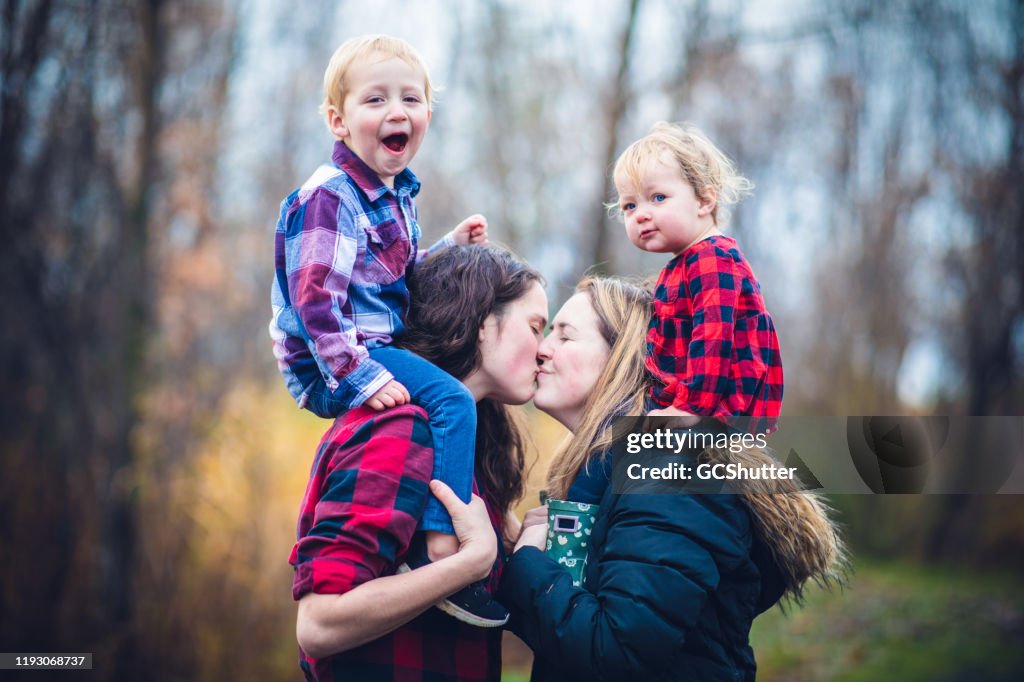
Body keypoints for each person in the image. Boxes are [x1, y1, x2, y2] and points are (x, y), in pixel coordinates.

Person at [498, 276, 845, 681]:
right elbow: (573, 644)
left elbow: (615, 653)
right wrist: (514, 555)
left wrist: (528, 564)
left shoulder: (667, 471)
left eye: (565, 335)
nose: (542, 348)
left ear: (621, 360)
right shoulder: (607, 474)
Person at [270, 34, 499, 623]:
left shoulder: (393, 196)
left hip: (370, 341)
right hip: (334, 357)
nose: (397, 111)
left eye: (412, 98)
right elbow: (314, 301)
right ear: (338, 121)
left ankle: (421, 532)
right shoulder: (329, 197)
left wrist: (448, 246)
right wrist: (361, 375)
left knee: (449, 399)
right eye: (375, 100)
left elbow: (390, 282)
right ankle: (440, 551)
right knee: (452, 403)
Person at [290, 245, 548, 681]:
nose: (543, 351)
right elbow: (319, 623)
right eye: (536, 327)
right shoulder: (403, 429)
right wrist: (469, 562)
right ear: (483, 323)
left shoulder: (461, 446)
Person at [614, 122, 783, 435]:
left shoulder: (712, 260)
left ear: (704, 201)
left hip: (710, 414)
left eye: (658, 197)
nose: (640, 214)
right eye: (629, 205)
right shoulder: (684, 264)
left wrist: (691, 408)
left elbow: (713, 339)